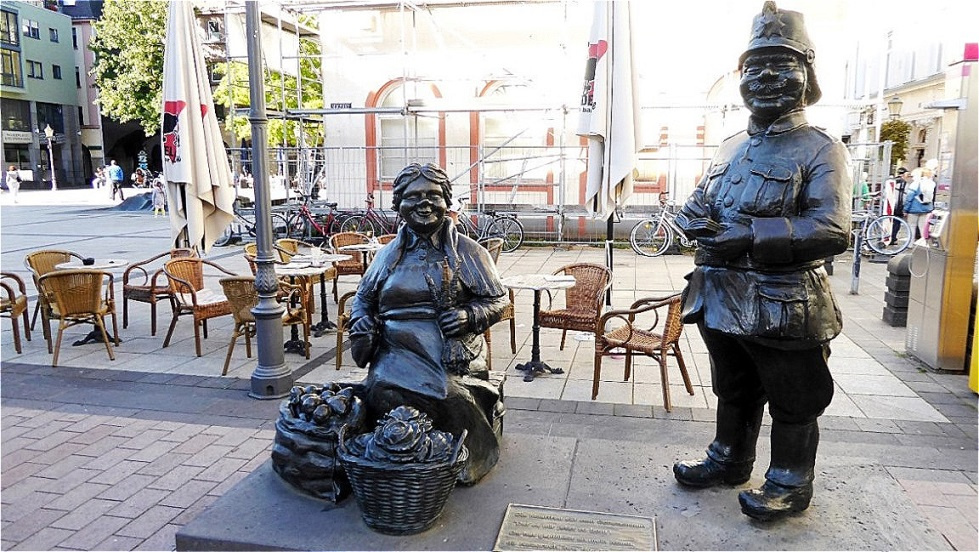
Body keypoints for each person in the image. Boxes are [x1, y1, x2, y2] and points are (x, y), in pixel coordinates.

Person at [671, 1, 851, 522]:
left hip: (783, 302)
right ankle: (728, 458)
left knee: (794, 399)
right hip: (719, 297)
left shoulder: (821, 149)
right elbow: (706, 202)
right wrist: (694, 216)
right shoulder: (728, 148)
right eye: (754, 66)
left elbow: (833, 229)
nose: (766, 77)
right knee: (733, 387)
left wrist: (749, 237)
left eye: (781, 64)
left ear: (806, 75)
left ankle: (790, 481)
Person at [348, 162, 509, 485]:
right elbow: (363, 299)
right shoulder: (386, 256)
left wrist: (468, 316)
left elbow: (500, 302)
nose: (424, 203)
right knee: (381, 389)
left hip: (451, 349)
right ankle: (402, 454)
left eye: (433, 195)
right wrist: (362, 322)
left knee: (447, 393)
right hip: (394, 350)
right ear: (399, 206)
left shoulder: (469, 252)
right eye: (414, 196)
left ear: (446, 202)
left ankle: (462, 457)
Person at [903, 167, 936, 241]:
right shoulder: (931, 184)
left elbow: (909, 198)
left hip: (914, 209)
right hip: (926, 209)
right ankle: (924, 243)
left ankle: (910, 243)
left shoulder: (915, 184)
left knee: (912, 226)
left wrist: (905, 210)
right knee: (923, 227)